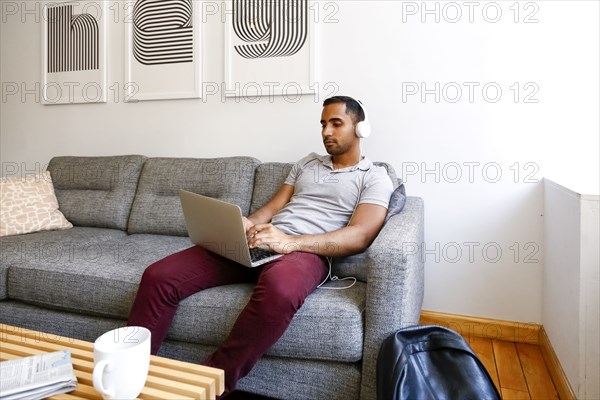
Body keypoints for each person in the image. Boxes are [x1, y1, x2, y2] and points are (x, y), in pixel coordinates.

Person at [127, 95, 394, 395]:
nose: (326, 132)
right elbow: (274, 207)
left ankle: (208, 383)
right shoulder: (307, 163)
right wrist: (246, 225)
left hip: (305, 252)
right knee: (159, 276)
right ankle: (128, 376)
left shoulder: (375, 177)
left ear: (361, 129)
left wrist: (290, 243)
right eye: (322, 124)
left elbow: (360, 235)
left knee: (280, 290)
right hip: (264, 239)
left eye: (336, 124)